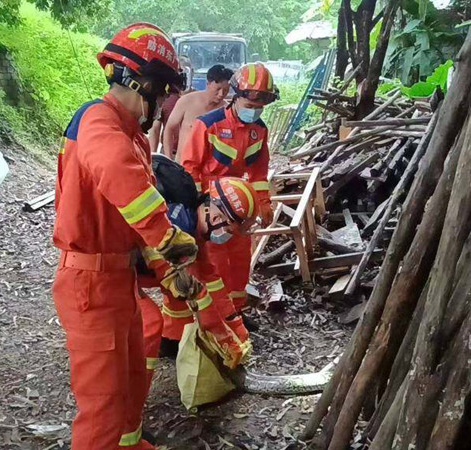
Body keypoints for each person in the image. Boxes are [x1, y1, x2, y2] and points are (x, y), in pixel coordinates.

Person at [52, 23, 201, 450]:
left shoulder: (128, 134)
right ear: (144, 82)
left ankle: (130, 443)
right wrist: (167, 236)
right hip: (91, 285)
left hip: (117, 280)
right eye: (166, 91)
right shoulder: (97, 121)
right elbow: (123, 182)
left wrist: (164, 267)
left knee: (133, 378)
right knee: (102, 405)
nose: (168, 101)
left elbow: (128, 221)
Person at [136, 161, 256, 382]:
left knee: (180, 301)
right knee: (150, 321)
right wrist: (223, 336)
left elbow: (210, 278)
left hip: (147, 271)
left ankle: (172, 341)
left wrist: (235, 325)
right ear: (216, 215)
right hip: (119, 272)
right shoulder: (178, 225)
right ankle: (130, 384)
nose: (227, 236)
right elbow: (195, 290)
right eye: (229, 229)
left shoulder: (196, 228)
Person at [180, 62, 279, 312]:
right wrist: (200, 205)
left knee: (239, 263)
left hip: (240, 207)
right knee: (213, 263)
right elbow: (190, 168)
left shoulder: (259, 131)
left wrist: (264, 202)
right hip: (211, 208)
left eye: (259, 108)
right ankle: (214, 315)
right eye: (250, 106)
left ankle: (235, 313)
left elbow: (258, 171)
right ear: (236, 97)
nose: (255, 112)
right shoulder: (209, 124)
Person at [163, 64, 233, 161]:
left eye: (225, 91)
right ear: (207, 84)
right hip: (184, 165)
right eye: (217, 89)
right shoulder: (187, 101)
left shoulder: (228, 111)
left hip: (210, 170)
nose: (221, 94)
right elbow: (169, 128)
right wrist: (169, 159)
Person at [147, 56, 193, 154]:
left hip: (189, 155)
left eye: (186, 71)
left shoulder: (197, 98)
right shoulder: (164, 97)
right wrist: (153, 157)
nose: (182, 75)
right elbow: (155, 129)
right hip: (169, 153)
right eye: (179, 71)